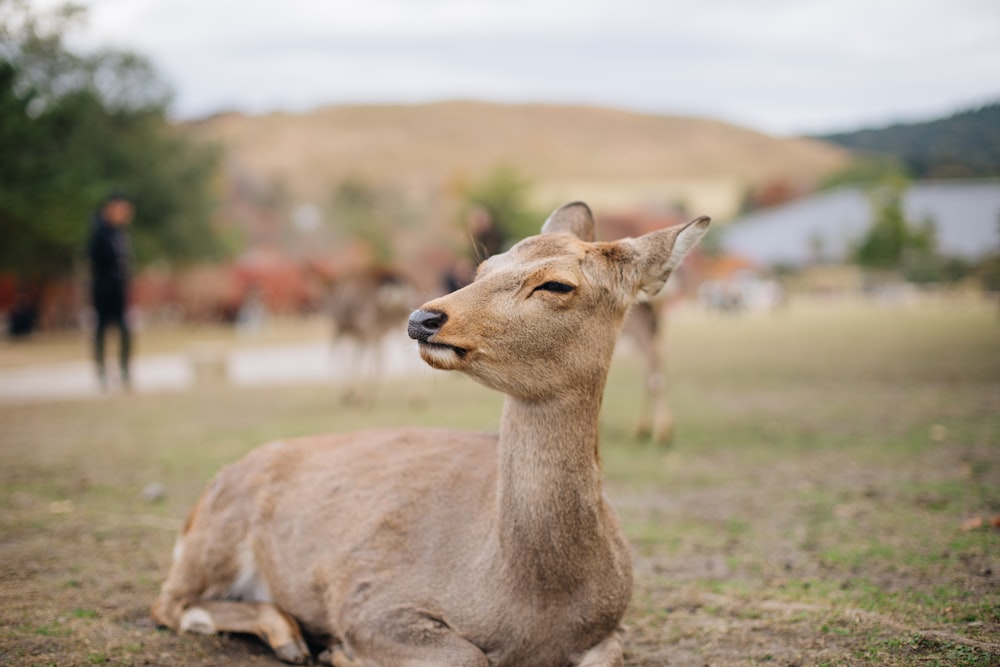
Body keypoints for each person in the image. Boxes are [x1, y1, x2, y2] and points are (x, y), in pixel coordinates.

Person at [87, 192, 135, 391]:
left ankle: (124, 370)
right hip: (103, 289)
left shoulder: (119, 233)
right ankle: (101, 373)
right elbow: (94, 261)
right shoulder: (99, 232)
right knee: (101, 329)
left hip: (119, 289)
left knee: (124, 329)